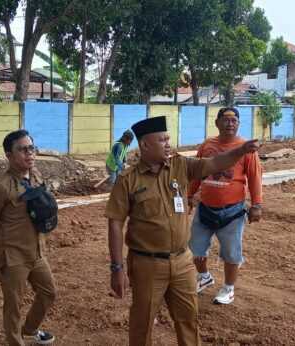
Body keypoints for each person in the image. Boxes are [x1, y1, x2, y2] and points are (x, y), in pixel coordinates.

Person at [105, 116, 260, 346]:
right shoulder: (128, 180)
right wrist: (117, 268)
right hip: (147, 265)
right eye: (162, 140)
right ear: (146, 145)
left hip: (182, 262)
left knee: (188, 320)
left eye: (168, 138)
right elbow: (115, 223)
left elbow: (216, 163)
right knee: (143, 323)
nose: (168, 143)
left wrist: (241, 151)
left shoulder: (180, 165)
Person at [0, 129, 57, 346]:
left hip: (37, 252)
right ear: (9, 155)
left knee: (49, 292)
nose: (29, 153)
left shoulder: (36, 175)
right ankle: (15, 342)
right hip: (13, 256)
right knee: (13, 306)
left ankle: (30, 330)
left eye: (31, 148)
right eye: (22, 149)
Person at [187, 107, 263, 305]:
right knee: (195, 248)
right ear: (217, 122)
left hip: (232, 212)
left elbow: (255, 177)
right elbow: (197, 171)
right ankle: (204, 276)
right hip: (205, 208)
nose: (230, 123)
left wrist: (257, 204)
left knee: (231, 252)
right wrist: (188, 195)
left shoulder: (246, 148)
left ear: (238, 124)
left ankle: (228, 288)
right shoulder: (207, 145)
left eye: (234, 120)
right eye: (226, 119)